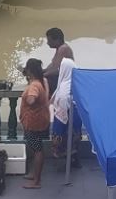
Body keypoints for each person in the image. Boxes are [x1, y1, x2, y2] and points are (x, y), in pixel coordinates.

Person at [20, 58, 51, 189]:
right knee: (37, 148)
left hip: (33, 123)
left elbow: (32, 99)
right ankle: (35, 175)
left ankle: (36, 181)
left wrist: (28, 99)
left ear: (30, 71)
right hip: (41, 120)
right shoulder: (42, 81)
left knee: (37, 150)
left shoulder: (34, 86)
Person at [50, 58, 82, 161]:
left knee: (63, 141)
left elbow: (62, 105)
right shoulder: (78, 84)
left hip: (64, 121)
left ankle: (62, 160)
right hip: (76, 120)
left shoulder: (64, 87)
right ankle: (74, 160)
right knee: (74, 141)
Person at [42, 28, 74, 95]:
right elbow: (52, 65)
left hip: (62, 82)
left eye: (49, 40)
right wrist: (42, 71)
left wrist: (41, 75)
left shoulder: (63, 49)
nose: (47, 43)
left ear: (57, 40)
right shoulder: (59, 48)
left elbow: (57, 70)